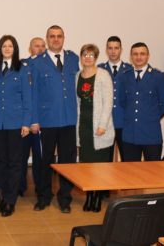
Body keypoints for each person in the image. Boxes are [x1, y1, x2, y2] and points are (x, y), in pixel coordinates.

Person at [31, 25, 79, 213]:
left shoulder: (73, 59)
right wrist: (34, 119)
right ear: (47, 39)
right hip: (47, 119)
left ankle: (65, 198)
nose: (56, 39)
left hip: (68, 119)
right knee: (45, 160)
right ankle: (44, 196)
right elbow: (34, 93)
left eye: (59, 36)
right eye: (52, 36)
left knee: (67, 161)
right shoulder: (37, 62)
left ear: (64, 38)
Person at [0, 35, 33, 217]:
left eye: (10, 46)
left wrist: (26, 122)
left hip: (16, 123)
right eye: (4, 46)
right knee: (1, 162)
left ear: (15, 49)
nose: (7, 49)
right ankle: (3, 196)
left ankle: (10, 200)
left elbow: (28, 98)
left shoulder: (22, 69)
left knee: (14, 163)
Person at [117, 42, 164, 162]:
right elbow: (122, 101)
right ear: (131, 57)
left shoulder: (158, 76)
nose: (139, 57)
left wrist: (152, 116)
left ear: (148, 56)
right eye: (135, 54)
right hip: (130, 135)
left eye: (142, 54)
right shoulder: (124, 77)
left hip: (151, 134)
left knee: (153, 171)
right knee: (130, 171)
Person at [76, 43, 114, 212]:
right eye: (85, 54)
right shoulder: (77, 76)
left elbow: (108, 102)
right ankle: (89, 196)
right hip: (83, 126)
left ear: (96, 57)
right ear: (81, 57)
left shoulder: (103, 75)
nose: (88, 58)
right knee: (86, 165)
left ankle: (97, 197)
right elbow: (78, 103)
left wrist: (102, 125)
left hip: (99, 128)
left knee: (99, 166)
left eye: (91, 55)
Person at [97, 36, 133, 160]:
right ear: (106, 50)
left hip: (125, 123)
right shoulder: (99, 70)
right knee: (105, 162)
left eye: (116, 48)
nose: (113, 51)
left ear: (121, 50)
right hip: (105, 124)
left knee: (128, 160)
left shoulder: (130, 70)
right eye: (110, 48)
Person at [19, 37, 45, 197]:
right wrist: (28, 121)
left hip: (41, 122)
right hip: (23, 121)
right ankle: (20, 187)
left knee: (40, 158)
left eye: (43, 46)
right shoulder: (22, 65)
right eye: (36, 46)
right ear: (30, 48)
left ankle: (40, 188)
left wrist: (36, 120)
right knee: (21, 157)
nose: (40, 49)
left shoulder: (48, 66)